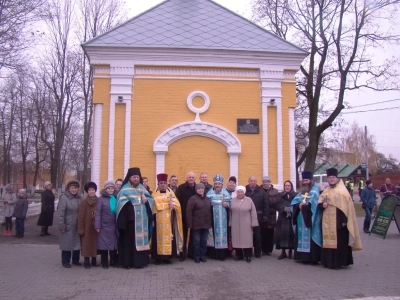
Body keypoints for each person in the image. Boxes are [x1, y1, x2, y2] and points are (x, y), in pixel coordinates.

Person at [318, 168, 362, 269]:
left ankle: (338, 262)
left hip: (339, 221)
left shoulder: (343, 192)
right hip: (327, 222)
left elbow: (346, 208)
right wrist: (322, 205)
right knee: (328, 240)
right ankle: (328, 262)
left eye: (333, 177)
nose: (331, 179)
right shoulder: (325, 191)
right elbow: (319, 205)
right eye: (329, 177)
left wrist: (344, 221)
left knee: (340, 242)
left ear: (337, 178)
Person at [116, 167, 154, 269]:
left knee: (141, 241)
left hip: (142, 221)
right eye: (134, 177)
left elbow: (151, 200)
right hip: (129, 223)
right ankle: (127, 262)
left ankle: (140, 262)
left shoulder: (142, 188)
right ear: (129, 178)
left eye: (137, 177)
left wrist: (146, 200)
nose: (136, 179)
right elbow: (121, 204)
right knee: (128, 243)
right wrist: (131, 204)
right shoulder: (124, 190)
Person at [151, 173, 184, 265]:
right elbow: (153, 206)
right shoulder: (154, 194)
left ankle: (167, 258)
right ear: (158, 184)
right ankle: (157, 258)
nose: (163, 185)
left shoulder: (171, 194)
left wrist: (173, 206)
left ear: (166, 184)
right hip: (158, 222)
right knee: (157, 239)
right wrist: (166, 205)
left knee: (169, 238)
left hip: (169, 221)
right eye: (161, 183)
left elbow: (178, 205)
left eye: (164, 183)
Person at [291, 171, 322, 264]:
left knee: (310, 237)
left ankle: (311, 258)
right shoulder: (302, 192)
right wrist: (298, 206)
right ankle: (301, 257)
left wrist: (304, 207)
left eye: (307, 180)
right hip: (301, 219)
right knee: (300, 236)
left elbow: (314, 205)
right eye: (303, 180)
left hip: (311, 219)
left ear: (311, 180)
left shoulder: (315, 192)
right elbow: (294, 202)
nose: (305, 182)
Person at [230, 186, 258, 263]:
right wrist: (230, 223)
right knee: (237, 240)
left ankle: (248, 255)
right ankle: (239, 255)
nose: (240, 193)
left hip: (246, 223)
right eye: (238, 192)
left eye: (241, 192)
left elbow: (253, 212)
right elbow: (230, 213)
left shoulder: (249, 200)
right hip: (235, 223)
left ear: (244, 192)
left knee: (246, 240)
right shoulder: (232, 200)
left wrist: (254, 223)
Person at [206, 174, 231, 261]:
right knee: (212, 234)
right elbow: (206, 203)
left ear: (222, 185)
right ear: (214, 184)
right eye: (216, 184)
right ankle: (213, 254)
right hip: (213, 218)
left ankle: (222, 255)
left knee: (223, 234)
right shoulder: (209, 193)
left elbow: (231, 203)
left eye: (219, 184)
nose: (217, 185)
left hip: (223, 219)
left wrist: (227, 204)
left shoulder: (226, 193)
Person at [58, 180, 83, 268]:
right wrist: (61, 224)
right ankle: (65, 261)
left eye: (75, 188)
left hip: (77, 224)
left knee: (77, 242)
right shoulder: (64, 198)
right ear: (68, 189)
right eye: (72, 188)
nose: (74, 190)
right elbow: (61, 213)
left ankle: (76, 260)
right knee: (67, 243)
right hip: (68, 223)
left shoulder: (80, 198)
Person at [186, 183, 212, 263]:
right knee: (196, 242)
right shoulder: (192, 199)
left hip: (206, 224)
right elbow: (188, 212)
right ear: (196, 190)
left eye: (202, 189)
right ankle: (196, 256)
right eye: (199, 189)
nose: (201, 190)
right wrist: (190, 224)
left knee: (203, 241)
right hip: (196, 224)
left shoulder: (207, 199)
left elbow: (209, 211)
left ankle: (202, 255)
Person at [95, 180, 119, 269]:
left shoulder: (117, 197)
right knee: (104, 245)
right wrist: (97, 226)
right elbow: (98, 213)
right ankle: (104, 262)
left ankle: (113, 261)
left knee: (114, 246)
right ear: (105, 189)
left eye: (112, 188)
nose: (110, 190)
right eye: (108, 188)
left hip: (114, 226)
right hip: (104, 226)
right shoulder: (101, 199)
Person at [175, 171, 197, 261]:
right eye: (189, 177)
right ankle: (182, 252)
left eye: (192, 177)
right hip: (183, 214)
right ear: (186, 178)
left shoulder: (197, 188)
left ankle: (191, 253)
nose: (191, 179)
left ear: (195, 178)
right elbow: (177, 201)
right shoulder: (181, 188)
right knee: (183, 234)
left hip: (194, 215)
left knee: (193, 235)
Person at [245, 175, 268, 258]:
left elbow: (266, 205)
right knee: (248, 235)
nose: (253, 182)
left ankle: (258, 252)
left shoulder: (262, 192)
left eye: (254, 181)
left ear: (256, 181)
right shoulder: (245, 190)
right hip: (246, 216)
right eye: (251, 181)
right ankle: (248, 252)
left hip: (258, 216)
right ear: (248, 181)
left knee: (258, 235)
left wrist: (265, 216)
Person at [78, 182, 99, 269]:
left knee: (95, 243)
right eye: (90, 190)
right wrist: (81, 228)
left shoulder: (98, 201)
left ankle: (94, 259)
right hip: (87, 226)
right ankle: (87, 260)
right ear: (87, 191)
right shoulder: (84, 202)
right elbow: (81, 216)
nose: (91, 191)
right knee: (86, 243)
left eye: (93, 190)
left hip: (95, 226)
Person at [274, 180, 296, 260]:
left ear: (291, 186)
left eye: (289, 186)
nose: (287, 187)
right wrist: (284, 208)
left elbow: (297, 203)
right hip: (282, 217)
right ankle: (283, 252)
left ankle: (290, 252)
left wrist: (292, 209)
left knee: (291, 235)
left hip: (292, 218)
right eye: (286, 186)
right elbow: (276, 204)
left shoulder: (295, 195)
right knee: (282, 235)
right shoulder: (280, 195)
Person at [261, 176, 279, 256]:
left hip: (272, 215)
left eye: (267, 182)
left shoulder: (275, 191)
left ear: (270, 182)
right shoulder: (260, 190)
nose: (266, 183)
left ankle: (269, 250)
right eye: (264, 182)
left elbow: (276, 202)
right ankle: (263, 249)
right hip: (262, 214)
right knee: (263, 232)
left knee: (270, 233)